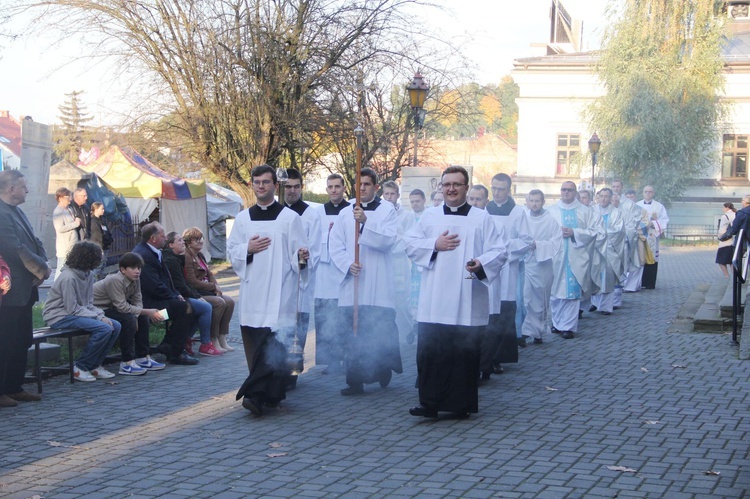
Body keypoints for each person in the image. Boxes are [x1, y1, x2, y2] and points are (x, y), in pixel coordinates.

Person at [404, 166, 507, 418]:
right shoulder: (429, 217)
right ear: (441, 187)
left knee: (463, 354)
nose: (451, 189)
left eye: (456, 184)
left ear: (466, 187)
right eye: (446, 184)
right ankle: (429, 403)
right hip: (434, 298)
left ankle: (460, 405)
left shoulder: (481, 218)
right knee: (430, 353)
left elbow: (499, 251)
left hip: (467, 298)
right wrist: (434, 245)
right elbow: (410, 243)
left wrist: (480, 263)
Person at [226, 164, 310, 416]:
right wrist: (246, 250)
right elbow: (233, 252)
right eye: (256, 182)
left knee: (275, 345)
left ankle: (254, 394)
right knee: (257, 345)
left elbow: (300, 255)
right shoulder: (242, 219)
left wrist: (302, 257)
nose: (260, 186)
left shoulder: (289, 218)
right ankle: (269, 396)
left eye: (265, 182)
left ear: (275, 185)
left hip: (280, 292)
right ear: (252, 185)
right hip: (253, 292)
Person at [329, 167, 403, 396]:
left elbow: (389, 241)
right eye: (358, 185)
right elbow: (335, 244)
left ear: (376, 187)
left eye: (367, 185)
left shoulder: (387, 210)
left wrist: (366, 221)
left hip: (378, 283)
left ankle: (382, 370)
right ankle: (355, 381)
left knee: (379, 330)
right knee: (352, 331)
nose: (362, 189)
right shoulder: (344, 213)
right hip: (353, 282)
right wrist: (346, 264)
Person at [0, 170, 51, 407]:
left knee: (21, 340)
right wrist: (40, 270)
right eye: (23, 186)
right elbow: (13, 248)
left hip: (25, 290)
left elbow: (34, 241)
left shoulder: (17, 211)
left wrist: (44, 264)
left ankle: (14, 386)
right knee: (5, 341)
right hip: (9, 293)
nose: (27, 190)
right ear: (11, 189)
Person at [43, 241, 121, 382]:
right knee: (103, 328)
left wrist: (99, 314)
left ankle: (95, 364)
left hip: (75, 313)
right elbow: (72, 308)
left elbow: (88, 303)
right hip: (59, 316)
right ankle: (81, 366)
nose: (100, 259)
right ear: (88, 258)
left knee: (116, 326)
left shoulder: (88, 274)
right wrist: (98, 318)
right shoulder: (68, 277)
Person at [481, 173, 532, 379]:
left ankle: (499, 357)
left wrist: (504, 247)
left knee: (504, 312)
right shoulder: (484, 210)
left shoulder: (517, 212)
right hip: (487, 266)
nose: (497, 192)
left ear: (509, 190)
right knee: (487, 312)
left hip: (507, 268)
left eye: (501, 189)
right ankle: (486, 357)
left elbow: (527, 240)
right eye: (494, 188)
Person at [134, 222, 199, 366]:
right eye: (163, 236)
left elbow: (166, 279)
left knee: (187, 307)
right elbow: (153, 285)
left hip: (157, 301)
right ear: (153, 238)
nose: (165, 238)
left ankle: (169, 345)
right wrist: (173, 296)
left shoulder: (153, 251)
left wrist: (175, 293)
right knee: (184, 309)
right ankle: (174, 351)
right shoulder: (144, 255)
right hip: (149, 306)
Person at [546, 181, 604, 339]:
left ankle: (568, 327)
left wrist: (574, 232)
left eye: (569, 190)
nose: (566, 193)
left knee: (572, 292)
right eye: (563, 189)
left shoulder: (586, 212)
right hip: (555, 256)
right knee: (555, 292)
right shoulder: (550, 211)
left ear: (575, 192)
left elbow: (597, 231)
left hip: (576, 256)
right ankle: (557, 323)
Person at [93, 252, 166, 376]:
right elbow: (121, 306)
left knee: (141, 316)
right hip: (98, 309)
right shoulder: (115, 280)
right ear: (123, 269)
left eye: (139, 268)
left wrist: (138, 316)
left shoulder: (135, 280)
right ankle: (127, 362)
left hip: (113, 308)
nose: (137, 271)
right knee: (128, 319)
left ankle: (142, 356)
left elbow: (137, 300)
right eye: (133, 268)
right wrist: (144, 313)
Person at [280, 168, 320, 384]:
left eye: (296, 186)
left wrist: (303, 257)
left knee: (297, 324)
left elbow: (315, 247)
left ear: (301, 188)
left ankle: (292, 372)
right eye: (288, 186)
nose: (292, 191)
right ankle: (277, 368)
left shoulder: (310, 214)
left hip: (300, 282)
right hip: (278, 281)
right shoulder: (276, 213)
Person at [314, 173, 350, 373]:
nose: (334, 190)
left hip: (343, 269)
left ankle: (347, 358)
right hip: (324, 271)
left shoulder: (351, 210)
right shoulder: (318, 212)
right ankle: (331, 360)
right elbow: (312, 238)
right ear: (326, 189)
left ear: (344, 188)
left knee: (342, 317)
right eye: (330, 186)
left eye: (337, 186)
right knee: (325, 316)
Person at [163, 232, 219, 356]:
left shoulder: (178, 258)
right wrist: (198, 296)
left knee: (216, 303)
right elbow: (182, 285)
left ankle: (189, 340)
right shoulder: (171, 260)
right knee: (206, 307)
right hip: (169, 302)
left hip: (182, 296)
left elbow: (186, 283)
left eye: (183, 240)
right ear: (171, 245)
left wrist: (212, 288)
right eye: (179, 241)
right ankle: (205, 343)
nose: (182, 242)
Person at [183, 227, 236, 352]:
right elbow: (191, 281)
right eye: (197, 239)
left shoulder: (200, 255)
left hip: (207, 291)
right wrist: (213, 287)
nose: (201, 241)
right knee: (219, 303)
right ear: (189, 242)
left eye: (201, 238)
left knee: (230, 301)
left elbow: (209, 273)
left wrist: (216, 286)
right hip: (197, 293)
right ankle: (213, 338)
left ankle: (222, 337)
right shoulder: (187, 257)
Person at [520, 190, 561, 344]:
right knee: (525, 297)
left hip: (542, 264)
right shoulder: (522, 218)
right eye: (531, 200)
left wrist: (537, 244)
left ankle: (537, 331)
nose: (534, 204)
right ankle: (524, 331)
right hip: (525, 262)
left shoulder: (550, 221)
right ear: (527, 201)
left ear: (543, 202)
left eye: (537, 201)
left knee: (539, 298)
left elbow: (556, 243)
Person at [590, 188, 626, 315]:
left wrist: (601, 234)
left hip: (609, 249)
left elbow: (619, 231)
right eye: (601, 196)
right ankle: (594, 303)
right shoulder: (592, 211)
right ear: (598, 197)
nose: (603, 199)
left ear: (611, 198)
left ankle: (606, 307)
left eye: (606, 196)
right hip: (594, 248)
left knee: (607, 277)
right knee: (594, 275)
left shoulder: (617, 213)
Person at [399, 189, 428, 345]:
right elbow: (401, 235)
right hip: (414, 261)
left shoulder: (429, 215)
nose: (415, 204)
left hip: (427, 260)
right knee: (413, 293)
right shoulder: (407, 217)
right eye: (412, 201)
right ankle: (415, 322)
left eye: (417, 201)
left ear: (423, 200)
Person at [636, 185, 669, 289]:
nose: (648, 193)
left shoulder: (659, 206)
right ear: (643, 193)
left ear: (653, 193)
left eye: (650, 192)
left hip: (652, 235)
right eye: (646, 191)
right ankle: (639, 282)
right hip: (640, 234)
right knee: (640, 256)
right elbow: (632, 219)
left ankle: (650, 283)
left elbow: (664, 220)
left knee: (652, 257)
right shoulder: (637, 205)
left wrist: (653, 224)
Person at [52, 187, 82, 281]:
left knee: (70, 270)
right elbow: (60, 228)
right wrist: (75, 224)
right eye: (68, 196)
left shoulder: (69, 209)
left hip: (72, 245)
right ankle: (55, 291)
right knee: (61, 269)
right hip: (65, 247)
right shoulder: (58, 211)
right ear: (60, 198)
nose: (70, 198)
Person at [716, 202, 737, 277]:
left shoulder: (725, 216)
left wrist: (720, 236)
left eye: (724, 207)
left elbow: (722, 229)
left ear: (727, 207)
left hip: (725, 241)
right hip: (733, 241)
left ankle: (726, 276)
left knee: (720, 261)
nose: (723, 209)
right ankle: (735, 276)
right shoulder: (735, 214)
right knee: (731, 261)